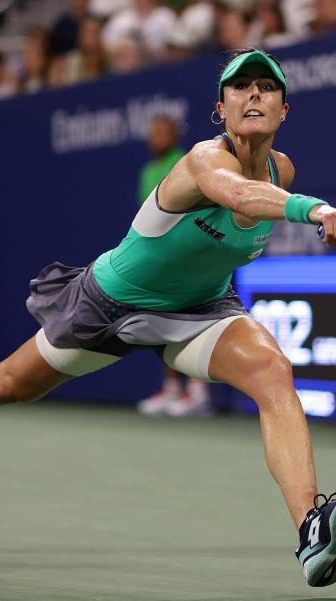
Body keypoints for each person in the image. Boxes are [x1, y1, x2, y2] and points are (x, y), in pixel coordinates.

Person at [0, 48, 336, 588]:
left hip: (201, 308)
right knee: (5, 387)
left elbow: (253, 202)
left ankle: (311, 530)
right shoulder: (202, 161)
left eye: (268, 86)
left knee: (272, 370)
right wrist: (316, 210)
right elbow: (239, 196)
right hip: (110, 303)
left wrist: (304, 206)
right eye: (242, 87)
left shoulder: (281, 171)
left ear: (284, 109)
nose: (255, 94)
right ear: (221, 107)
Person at [134, 115, 213, 417]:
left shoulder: (185, 163)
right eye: (151, 132)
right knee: (161, 323)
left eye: (161, 133)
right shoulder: (147, 171)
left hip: (189, 255)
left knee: (192, 320)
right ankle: (171, 389)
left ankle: (198, 391)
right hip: (160, 258)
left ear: (173, 136)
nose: (154, 138)